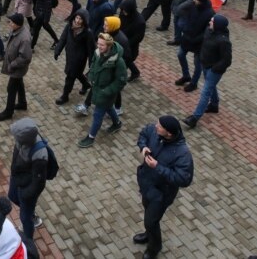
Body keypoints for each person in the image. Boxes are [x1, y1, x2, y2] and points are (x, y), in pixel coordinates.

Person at [134, 116, 195, 259]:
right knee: (148, 214)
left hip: (162, 194)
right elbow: (143, 134)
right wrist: (143, 147)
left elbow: (184, 179)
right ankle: (149, 233)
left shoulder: (182, 153)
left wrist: (157, 167)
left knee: (151, 221)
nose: (156, 126)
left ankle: (154, 247)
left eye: (160, 126)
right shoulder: (155, 132)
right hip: (147, 185)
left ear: (169, 133)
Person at [183, 14, 232, 128]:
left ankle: (195, 118)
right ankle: (214, 105)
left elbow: (227, 60)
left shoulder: (224, 41)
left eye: (212, 21)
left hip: (214, 70)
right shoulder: (209, 30)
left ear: (218, 25)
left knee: (205, 92)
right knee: (211, 86)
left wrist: (215, 68)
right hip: (205, 64)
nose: (210, 22)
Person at [77, 32, 126, 147]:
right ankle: (117, 123)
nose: (99, 46)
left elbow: (121, 81)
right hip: (97, 88)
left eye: (102, 45)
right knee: (109, 108)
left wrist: (107, 91)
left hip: (106, 93)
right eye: (98, 44)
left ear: (109, 46)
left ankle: (91, 137)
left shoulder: (118, 62)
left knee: (97, 115)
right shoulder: (97, 53)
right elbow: (94, 65)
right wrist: (91, 76)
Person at [7, 117, 49, 240]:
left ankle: (28, 241)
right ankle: (31, 213)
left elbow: (39, 183)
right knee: (12, 196)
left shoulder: (40, 154)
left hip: (28, 187)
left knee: (25, 218)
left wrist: (26, 195)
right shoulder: (22, 139)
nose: (14, 139)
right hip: (18, 178)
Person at [0, 13, 33, 121]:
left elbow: (26, 57)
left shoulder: (24, 38)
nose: (9, 23)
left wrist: (12, 64)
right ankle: (22, 103)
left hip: (17, 68)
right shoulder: (16, 30)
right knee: (19, 83)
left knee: (11, 88)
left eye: (11, 22)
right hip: (16, 67)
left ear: (17, 24)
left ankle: (8, 112)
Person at [174, 0, 214, 91]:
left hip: (199, 43)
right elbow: (185, 16)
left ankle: (194, 83)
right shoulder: (192, 6)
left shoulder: (210, 13)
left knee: (198, 64)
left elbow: (208, 31)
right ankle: (186, 75)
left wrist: (197, 38)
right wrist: (184, 27)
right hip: (187, 38)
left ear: (201, 1)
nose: (193, 0)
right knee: (180, 54)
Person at [54, 8, 93, 106]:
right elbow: (63, 39)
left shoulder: (88, 32)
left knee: (70, 76)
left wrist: (91, 63)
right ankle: (86, 84)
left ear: (84, 20)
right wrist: (57, 50)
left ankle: (65, 95)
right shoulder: (69, 26)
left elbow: (91, 49)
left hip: (79, 59)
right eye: (77, 18)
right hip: (69, 55)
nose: (77, 21)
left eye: (80, 19)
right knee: (78, 74)